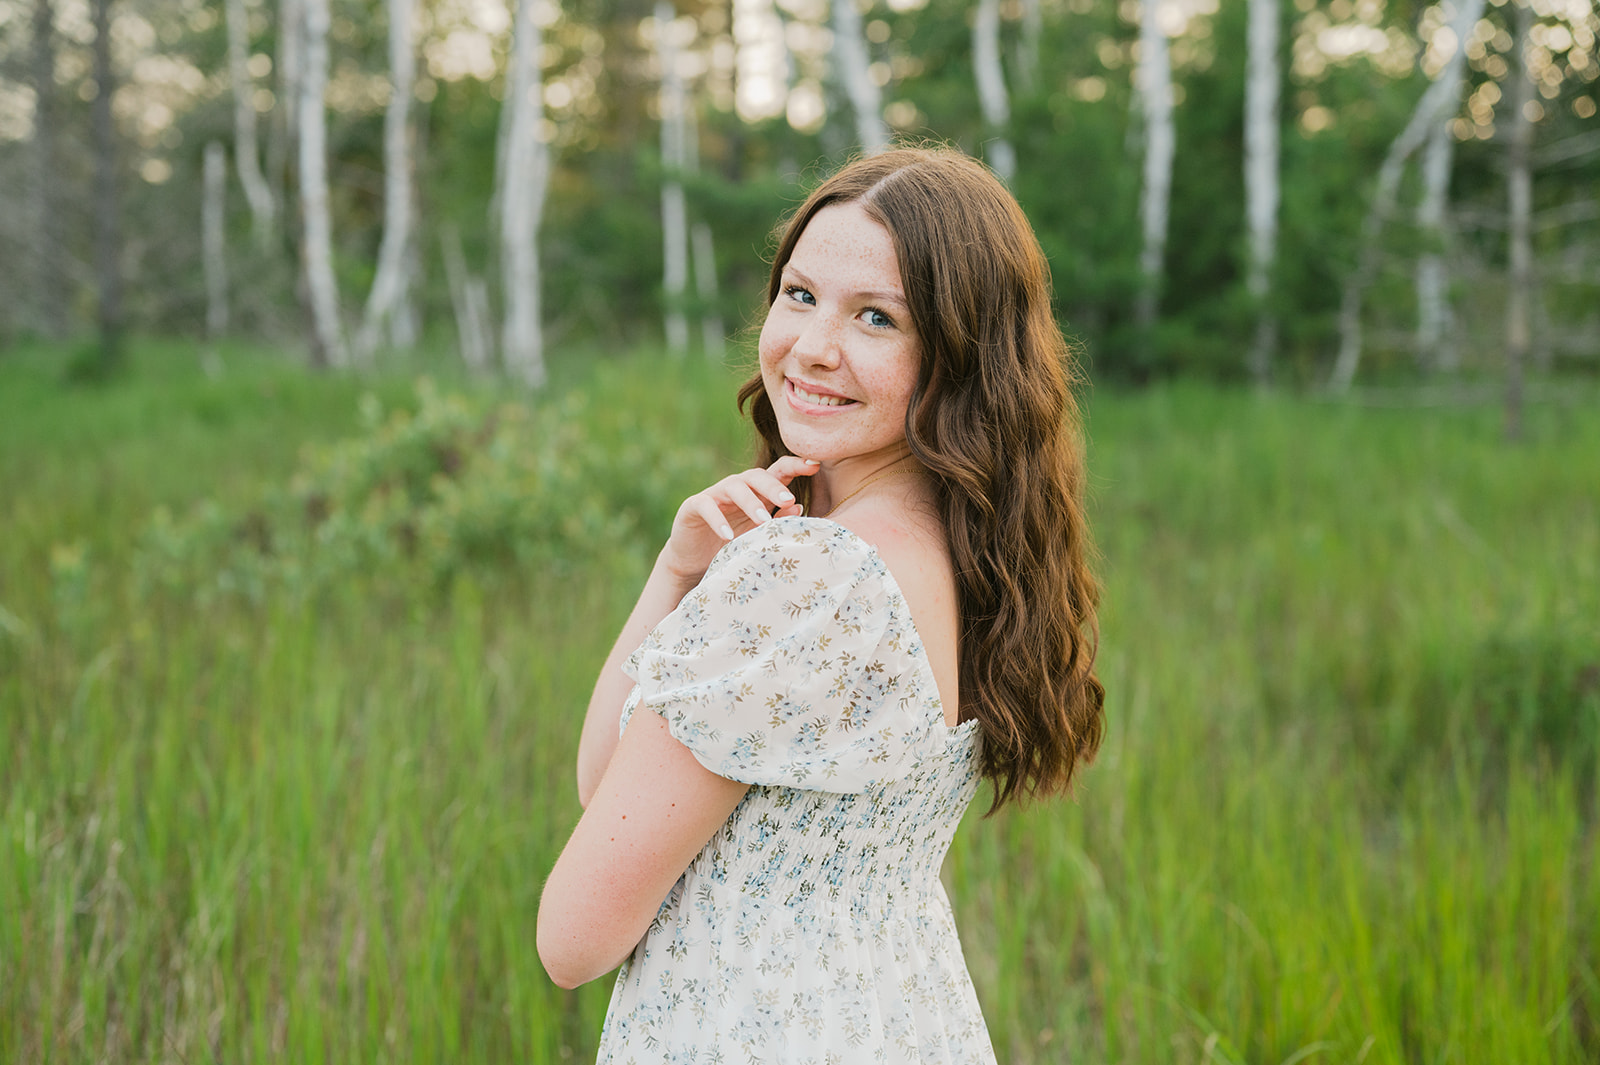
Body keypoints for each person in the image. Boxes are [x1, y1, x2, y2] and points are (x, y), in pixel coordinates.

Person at [537, 146, 1103, 1063]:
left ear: (957, 357)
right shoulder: (969, 548)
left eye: (876, 317)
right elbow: (610, 792)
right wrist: (677, 574)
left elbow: (572, 938)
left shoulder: (808, 580)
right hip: (899, 1023)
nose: (811, 346)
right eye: (799, 295)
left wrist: (718, 591)